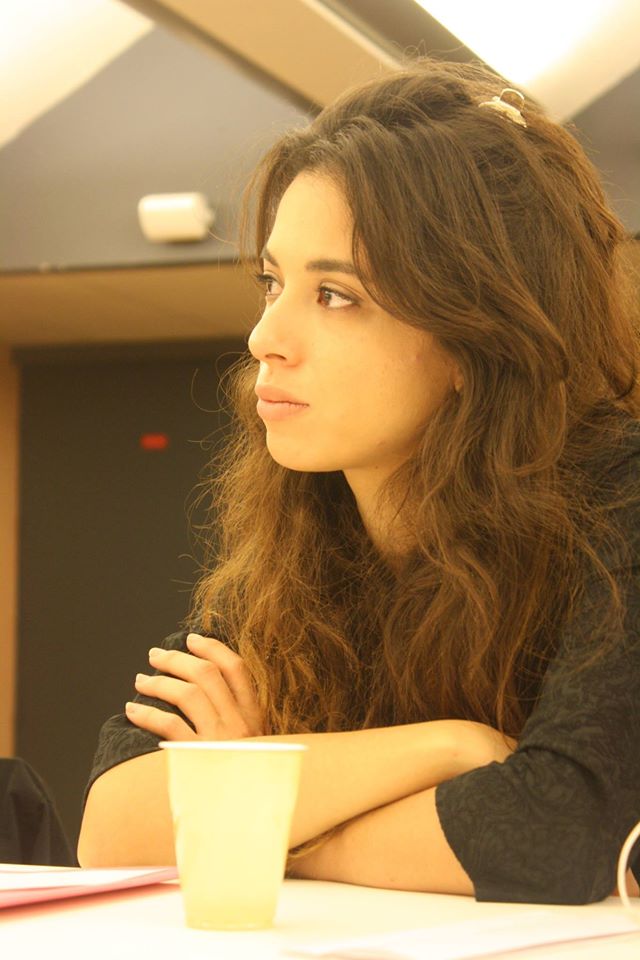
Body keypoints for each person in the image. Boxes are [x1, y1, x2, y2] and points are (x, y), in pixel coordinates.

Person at [78, 59, 640, 904]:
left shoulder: (621, 496)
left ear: (475, 337)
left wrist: (252, 804)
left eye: (335, 295)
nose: (265, 336)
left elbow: (553, 836)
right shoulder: (300, 529)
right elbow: (112, 827)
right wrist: (447, 749)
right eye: (273, 283)